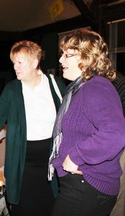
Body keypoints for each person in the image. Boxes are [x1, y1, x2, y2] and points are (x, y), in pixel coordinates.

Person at [0, 40, 66, 216]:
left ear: (35, 63)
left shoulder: (54, 84)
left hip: (50, 160)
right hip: (23, 160)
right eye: (14, 63)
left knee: (49, 206)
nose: (15, 67)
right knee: (24, 208)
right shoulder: (12, 90)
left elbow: (68, 117)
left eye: (20, 63)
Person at [48, 29, 125, 216]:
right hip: (83, 186)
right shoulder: (80, 88)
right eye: (62, 54)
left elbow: (116, 133)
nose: (60, 60)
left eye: (68, 55)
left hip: (87, 188)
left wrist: (76, 156)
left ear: (87, 58)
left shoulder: (95, 87)